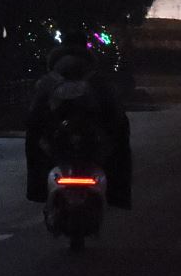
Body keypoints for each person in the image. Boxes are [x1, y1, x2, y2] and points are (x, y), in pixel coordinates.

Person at [25, 44, 132, 210]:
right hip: (90, 141)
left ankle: (36, 191)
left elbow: (34, 116)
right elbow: (116, 116)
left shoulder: (47, 81)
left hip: (61, 142)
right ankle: (119, 195)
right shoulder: (99, 82)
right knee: (121, 146)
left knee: (33, 145)